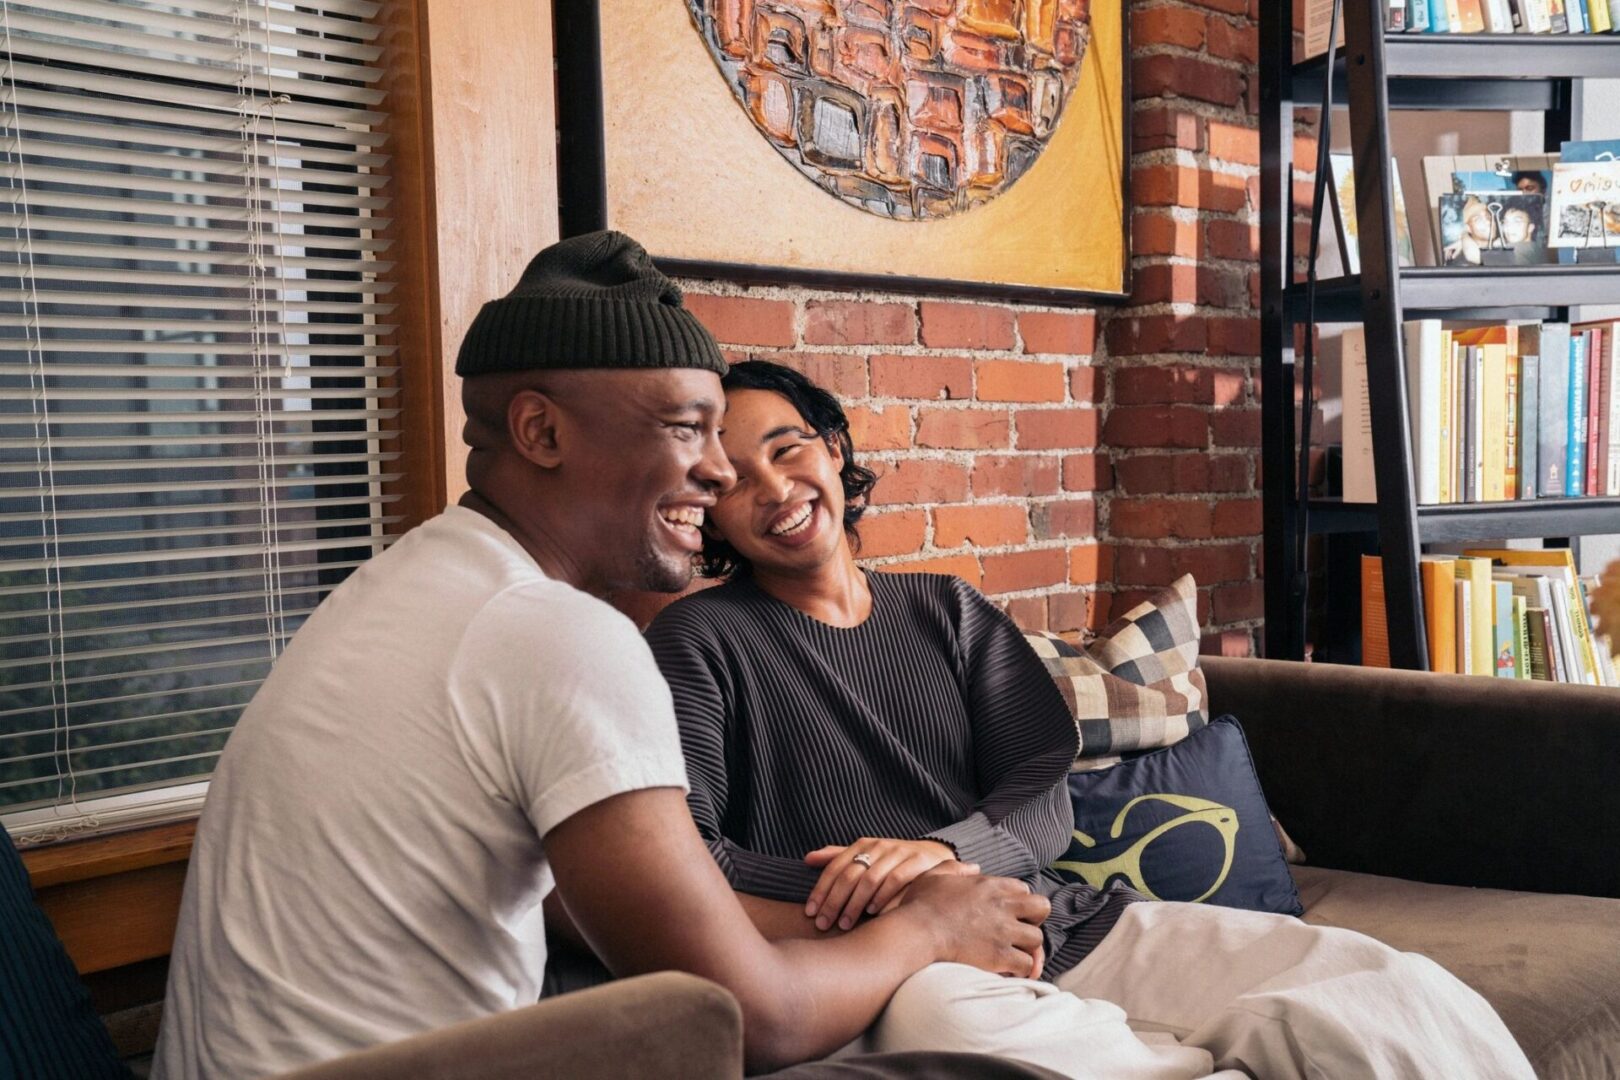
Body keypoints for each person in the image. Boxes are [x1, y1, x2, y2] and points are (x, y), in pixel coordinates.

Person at [151, 233, 1061, 1080]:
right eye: (686, 428)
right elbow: (754, 1019)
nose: (718, 470)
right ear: (542, 433)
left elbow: (591, 904)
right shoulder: (552, 633)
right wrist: (929, 927)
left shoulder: (408, 584)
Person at [645, 359, 1537, 1080]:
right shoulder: (699, 638)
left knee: (1380, 977)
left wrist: (950, 857)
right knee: (952, 1023)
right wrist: (898, 900)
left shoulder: (947, 612)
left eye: (789, 447)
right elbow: (689, 861)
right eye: (733, 478)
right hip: (891, 973)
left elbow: (1043, 796)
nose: (773, 487)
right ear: (709, 506)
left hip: (1062, 922)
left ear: (836, 450)